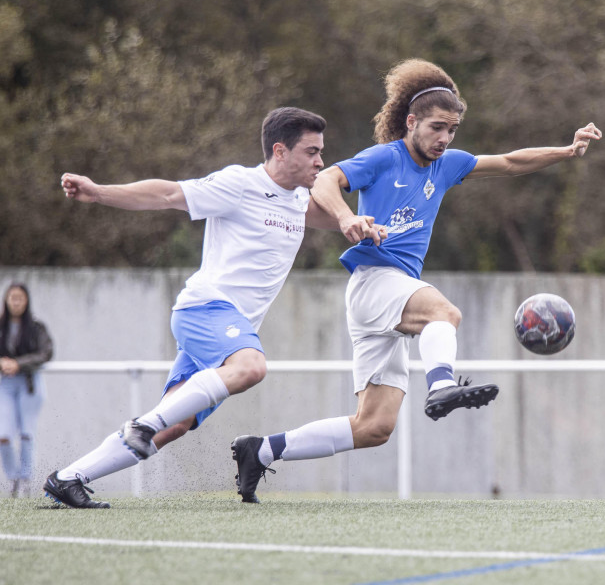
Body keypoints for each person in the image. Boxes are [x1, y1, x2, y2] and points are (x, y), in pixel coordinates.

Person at [232, 58, 601, 503]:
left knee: (373, 427)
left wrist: (567, 150)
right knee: (445, 313)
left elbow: (508, 162)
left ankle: (262, 451)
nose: (445, 138)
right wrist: (348, 217)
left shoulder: (446, 166)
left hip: (390, 295)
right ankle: (442, 385)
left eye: (452, 130)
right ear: (411, 122)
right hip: (375, 282)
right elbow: (327, 180)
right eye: (437, 127)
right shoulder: (383, 158)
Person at [42, 107, 385, 508]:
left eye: (321, 152)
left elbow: (339, 220)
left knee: (176, 424)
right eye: (312, 152)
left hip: (226, 328)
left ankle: (68, 478)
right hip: (205, 309)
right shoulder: (239, 183)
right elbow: (168, 193)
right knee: (250, 367)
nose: (321, 162)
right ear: (280, 150)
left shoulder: (298, 201)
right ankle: (143, 423)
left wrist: (366, 225)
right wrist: (99, 191)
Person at [0, 283, 54, 497]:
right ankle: (13, 477)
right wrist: (0, 362)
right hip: (6, 383)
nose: (16, 302)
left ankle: (25, 479)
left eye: (20, 298)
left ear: (26, 301)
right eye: (12, 298)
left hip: (29, 383)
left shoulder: (36, 327)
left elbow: (45, 353)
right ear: (6, 300)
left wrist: (19, 364)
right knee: (3, 435)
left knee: (26, 433)